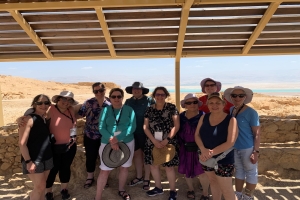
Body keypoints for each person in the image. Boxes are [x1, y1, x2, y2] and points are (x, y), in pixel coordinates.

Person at [195, 92, 238, 200]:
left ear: (223, 104)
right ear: (207, 105)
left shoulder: (231, 120)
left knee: (226, 190)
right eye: (211, 103)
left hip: (223, 160)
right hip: (206, 158)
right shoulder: (204, 118)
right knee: (213, 183)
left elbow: (230, 142)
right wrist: (203, 150)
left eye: (218, 103)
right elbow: (196, 135)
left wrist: (209, 153)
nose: (214, 105)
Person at [95, 88, 136, 200]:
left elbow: (132, 127)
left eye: (119, 96)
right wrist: (111, 139)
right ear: (110, 98)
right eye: (114, 96)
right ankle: (98, 197)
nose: (116, 99)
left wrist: (117, 138)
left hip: (127, 142)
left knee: (124, 168)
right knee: (104, 170)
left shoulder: (129, 110)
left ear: (122, 97)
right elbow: (101, 127)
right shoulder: (105, 110)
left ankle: (121, 190)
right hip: (107, 143)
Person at [224, 86, 260, 200]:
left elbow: (257, 133)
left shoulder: (251, 113)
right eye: (234, 95)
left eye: (240, 96)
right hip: (234, 147)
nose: (237, 98)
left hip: (247, 148)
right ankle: (238, 195)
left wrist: (256, 151)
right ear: (231, 97)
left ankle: (248, 196)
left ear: (245, 97)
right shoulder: (232, 110)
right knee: (239, 170)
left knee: (250, 172)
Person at [143, 86, 180, 200]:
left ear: (166, 95)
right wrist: (154, 141)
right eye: (157, 94)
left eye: (162, 94)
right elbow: (145, 126)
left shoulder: (171, 108)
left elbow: (176, 125)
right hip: (152, 142)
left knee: (169, 167)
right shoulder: (149, 109)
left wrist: (166, 140)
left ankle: (173, 191)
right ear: (154, 96)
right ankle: (158, 187)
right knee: (154, 166)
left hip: (168, 142)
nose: (160, 96)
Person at [18, 94, 53, 200]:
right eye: (40, 103)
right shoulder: (29, 119)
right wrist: (28, 162)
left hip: (47, 157)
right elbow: (22, 143)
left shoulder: (45, 117)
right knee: (40, 187)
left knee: (42, 188)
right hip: (33, 159)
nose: (43, 105)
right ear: (34, 104)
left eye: (46, 103)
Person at [77, 82, 111, 188]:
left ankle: (104, 178)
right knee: (90, 157)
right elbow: (80, 114)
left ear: (105, 90)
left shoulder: (111, 102)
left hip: (105, 136)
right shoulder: (88, 102)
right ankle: (90, 177)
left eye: (101, 90)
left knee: (104, 157)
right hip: (90, 135)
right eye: (96, 91)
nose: (99, 93)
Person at [45, 91, 78, 200]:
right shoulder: (50, 109)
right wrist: (21, 118)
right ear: (58, 99)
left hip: (70, 146)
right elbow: (34, 112)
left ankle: (64, 189)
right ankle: (48, 192)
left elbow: (83, 106)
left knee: (65, 168)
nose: (66, 102)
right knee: (52, 170)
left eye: (69, 100)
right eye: (64, 99)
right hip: (53, 147)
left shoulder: (71, 110)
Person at [178, 93, 210, 200]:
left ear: (198, 104)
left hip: (200, 148)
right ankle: (190, 189)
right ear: (185, 105)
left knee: (202, 172)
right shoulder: (181, 117)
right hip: (185, 147)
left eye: (195, 102)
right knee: (187, 170)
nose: (192, 105)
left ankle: (205, 193)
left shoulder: (204, 116)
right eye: (189, 103)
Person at [124, 82, 155, 190]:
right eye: (134, 89)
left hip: (147, 133)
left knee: (147, 155)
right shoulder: (128, 102)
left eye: (139, 89)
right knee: (137, 155)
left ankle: (147, 179)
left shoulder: (149, 101)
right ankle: (139, 177)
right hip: (133, 133)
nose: (136, 91)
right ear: (131, 90)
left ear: (142, 90)